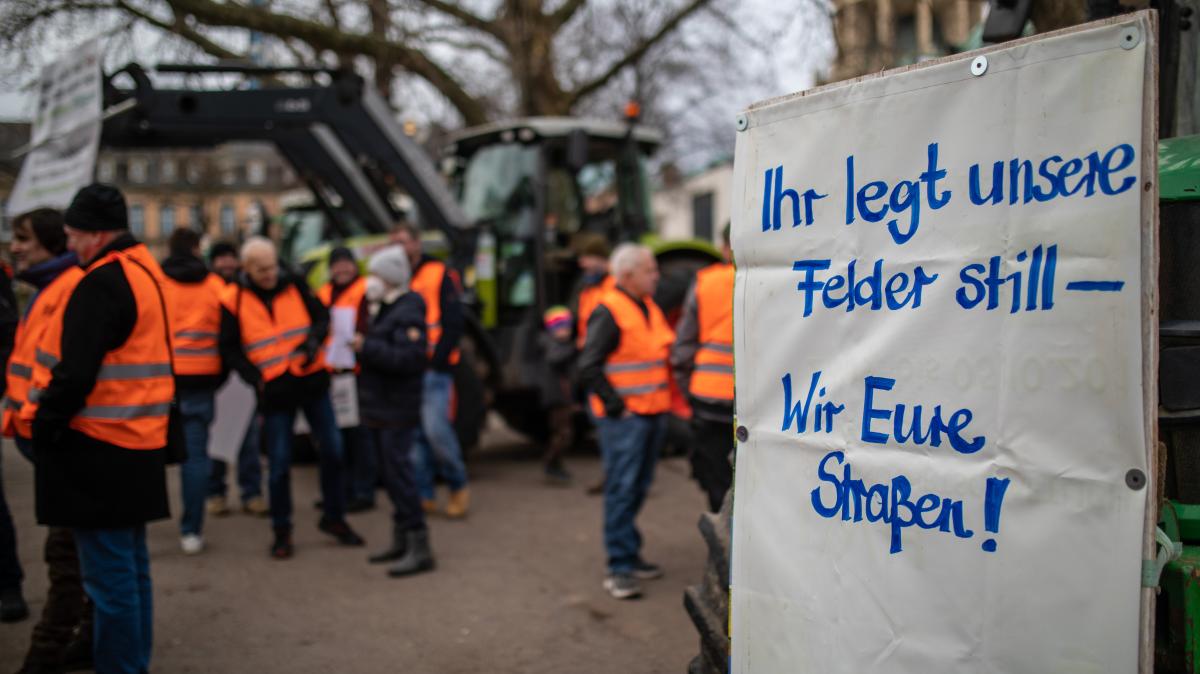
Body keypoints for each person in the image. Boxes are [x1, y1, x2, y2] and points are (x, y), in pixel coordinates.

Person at [30, 183, 172, 673]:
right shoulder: (145, 272)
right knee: (131, 575)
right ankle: (134, 663)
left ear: (95, 233)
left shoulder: (101, 281)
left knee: (110, 582)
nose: (69, 246)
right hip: (138, 443)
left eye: (73, 235)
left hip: (98, 450)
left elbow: (75, 374)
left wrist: (43, 426)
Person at [218, 237, 364, 558]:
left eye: (272, 266)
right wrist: (253, 378)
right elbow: (228, 348)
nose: (270, 274)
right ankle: (281, 530)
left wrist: (313, 341)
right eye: (262, 269)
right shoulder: (233, 299)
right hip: (275, 392)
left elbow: (322, 317)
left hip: (311, 380)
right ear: (247, 269)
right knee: (280, 464)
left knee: (333, 451)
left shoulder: (295, 283)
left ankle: (335, 517)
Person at [4, 208, 93, 673]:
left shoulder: (67, 291)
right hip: (46, 439)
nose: (15, 246)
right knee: (75, 549)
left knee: (67, 551)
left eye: (23, 238)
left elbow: (65, 375)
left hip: (61, 441)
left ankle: (50, 648)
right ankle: (83, 636)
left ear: (52, 243)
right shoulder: (48, 290)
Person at [578, 243, 674, 600]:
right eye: (650, 270)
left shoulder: (647, 307)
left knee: (636, 486)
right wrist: (617, 407)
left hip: (651, 413)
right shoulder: (609, 310)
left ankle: (629, 554)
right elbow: (588, 366)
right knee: (621, 489)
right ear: (628, 275)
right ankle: (619, 566)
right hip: (626, 421)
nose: (657, 275)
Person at [354, 246, 435, 577]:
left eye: (376, 274)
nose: (371, 280)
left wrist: (366, 347)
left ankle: (419, 545)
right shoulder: (386, 308)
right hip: (382, 406)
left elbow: (410, 358)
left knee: (400, 475)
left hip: (396, 407)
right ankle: (401, 539)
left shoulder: (408, 309)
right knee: (390, 474)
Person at [391, 223, 470, 518]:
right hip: (407, 368)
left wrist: (437, 360)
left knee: (437, 431)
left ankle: (457, 484)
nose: (399, 248)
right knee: (415, 436)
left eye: (403, 242)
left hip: (433, 369)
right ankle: (424, 493)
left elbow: (453, 321)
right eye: (393, 243)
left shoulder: (438, 274)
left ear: (416, 244)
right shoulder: (396, 278)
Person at [160, 228, 228, 554]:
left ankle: (137, 522)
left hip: (160, 380)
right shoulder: (215, 285)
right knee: (195, 458)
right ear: (198, 249)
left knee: (144, 454)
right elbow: (230, 333)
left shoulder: (157, 283)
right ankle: (191, 531)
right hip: (202, 380)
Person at [670, 226, 735, 513]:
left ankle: (725, 548)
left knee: (717, 479)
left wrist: (689, 392)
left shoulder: (705, 283)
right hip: (757, 404)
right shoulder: (783, 279)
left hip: (709, 401)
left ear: (724, 248)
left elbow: (682, 349)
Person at [205, 241, 267, 518]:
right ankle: (216, 492)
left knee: (248, 439)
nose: (227, 264)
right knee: (218, 440)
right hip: (216, 376)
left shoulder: (245, 290)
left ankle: (251, 493)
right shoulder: (208, 289)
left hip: (243, 375)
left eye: (231, 258)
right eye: (222, 258)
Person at [316, 246, 376, 512]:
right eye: (336, 265)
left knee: (359, 436)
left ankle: (363, 491)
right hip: (331, 372)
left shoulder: (366, 290)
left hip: (357, 373)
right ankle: (339, 492)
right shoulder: (323, 294)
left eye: (346, 264)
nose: (342, 269)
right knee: (336, 436)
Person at [538, 306, 576, 484]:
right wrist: (575, 348)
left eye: (567, 328)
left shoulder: (559, 344)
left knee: (562, 432)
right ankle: (550, 463)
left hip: (562, 396)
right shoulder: (553, 345)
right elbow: (555, 359)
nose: (565, 332)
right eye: (561, 328)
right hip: (556, 397)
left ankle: (556, 464)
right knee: (563, 433)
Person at [572, 234, 615, 350]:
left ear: (601, 257)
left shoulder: (617, 286)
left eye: (586, 257)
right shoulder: (587, 288)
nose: (581, 263)